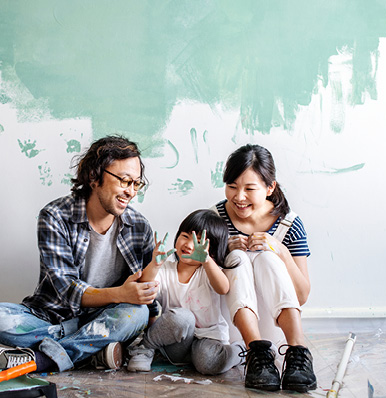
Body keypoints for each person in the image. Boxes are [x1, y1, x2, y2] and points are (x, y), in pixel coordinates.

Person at [0, 135, 158, 373]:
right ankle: (91, 351)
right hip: (55, 318)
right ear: (94, 177)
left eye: (136, 184)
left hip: (106, 316)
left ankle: (42, 359)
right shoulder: (55, 216)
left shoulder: (139, 227)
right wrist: (119, 293)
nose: (131, 192)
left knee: (136, 313)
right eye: (125, 181)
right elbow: (66, 288)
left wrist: (146, 312)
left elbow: (145, 294)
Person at [211, 144, 316, 392]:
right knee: (237, 257)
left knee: (269, 258)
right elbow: (200, 282)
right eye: (232, 187)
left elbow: (301, 295)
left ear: (270, 188)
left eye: (249, 188)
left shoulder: (289, 223)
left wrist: (280, 250)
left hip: (277, 327)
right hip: (230, 328)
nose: (239, 197)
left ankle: (298, 351)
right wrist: (222, 251)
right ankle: (256, 353)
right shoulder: (215, 218)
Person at [126, 209, 244, 375]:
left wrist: (207, 261)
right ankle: (144, 348)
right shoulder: (167, 270)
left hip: (208, 340)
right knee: (182, 317)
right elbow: (145, 286)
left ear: (211, 249)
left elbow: (223, 288)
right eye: (185, 236)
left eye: (197, 242)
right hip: (177, 342)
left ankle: (241, 351)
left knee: (209, 363)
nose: (188, 245)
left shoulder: (209, 271)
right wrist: (155, 265)